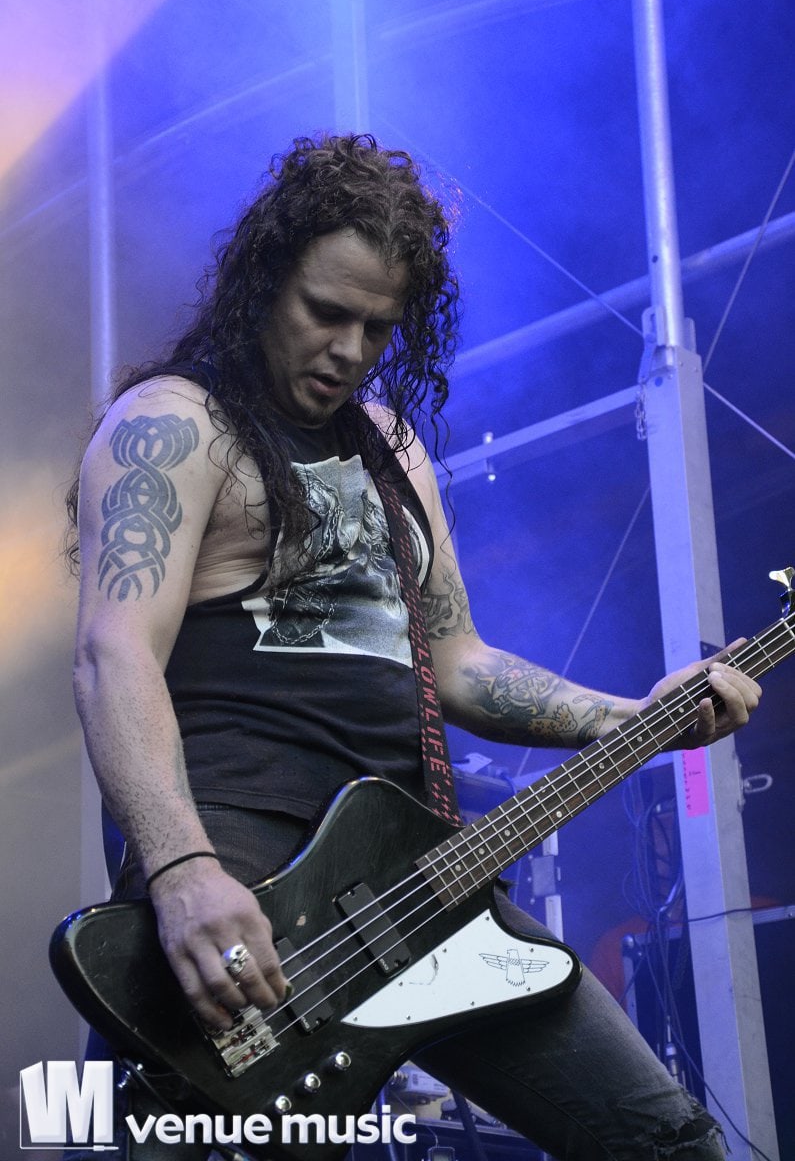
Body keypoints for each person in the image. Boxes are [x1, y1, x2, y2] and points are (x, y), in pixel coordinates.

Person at [67, 133, 760, 1161]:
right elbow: (111, 655)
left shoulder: (391, 448)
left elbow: (459, 660)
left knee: (667, 1144)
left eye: (378, 327)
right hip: (246, 863)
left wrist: (637, 719)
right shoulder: (173, 424)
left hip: (415, 876)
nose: (349, 349)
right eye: (325, 311)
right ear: (264, 282)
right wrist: (181, 869)